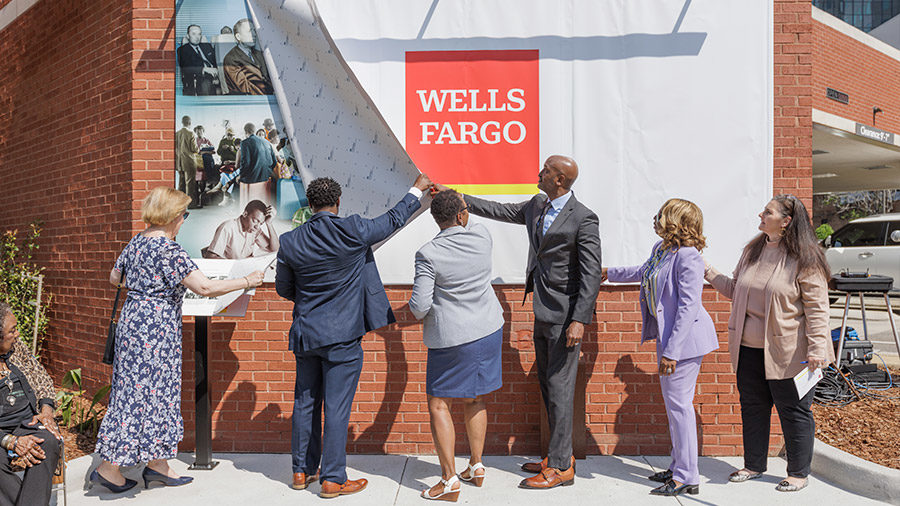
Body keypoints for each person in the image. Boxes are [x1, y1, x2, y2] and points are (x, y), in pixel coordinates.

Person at [433, 155, 602, 490]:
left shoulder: (584, 218)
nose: (539, 173)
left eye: (546, 171)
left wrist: (579, 320)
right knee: (548, 387)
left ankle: (560, 468)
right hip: (542, 310)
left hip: (566, 316)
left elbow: (591, 273)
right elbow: (501, 211)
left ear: (559, 180)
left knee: (560, 389)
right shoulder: (538, 205)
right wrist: (461, 199)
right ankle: (558, 455)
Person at [92, 187, 264, 494]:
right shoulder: (170, 251)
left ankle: (158, 465)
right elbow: (205, 288)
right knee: (147, 394)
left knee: (138, 391)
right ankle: (109, 468)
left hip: (133, 323)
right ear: (173, 217)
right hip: (156, 330)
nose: (184, 220)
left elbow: (114, 278)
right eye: (183, 214)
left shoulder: (137, 242)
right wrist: (248, 280)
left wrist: (144, 287)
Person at [276, 174, 431, 498]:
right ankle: (332, 478)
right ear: (338, 203)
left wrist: (310, 302)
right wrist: (416, 188)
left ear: (311, 203)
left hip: (306, 335)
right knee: (336, 408)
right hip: (342, 338)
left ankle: (301, 472)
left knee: (305, 403)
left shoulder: (291, 241)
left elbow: (284, 288)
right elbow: (393, 219)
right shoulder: (353, 230)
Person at [704, 194, 834, 493]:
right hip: (748, 349)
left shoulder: (806, 257)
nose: (761, 215)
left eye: (768, 212)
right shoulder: (753, 250)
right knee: (753, 406)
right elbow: (736, 290)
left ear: (786, 221)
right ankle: (753, 465)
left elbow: (817, 308)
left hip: (791, 353)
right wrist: (707, 271)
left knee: (794, 411)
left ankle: (798, 473)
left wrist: (816, 349)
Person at [602, 199, 718, 497]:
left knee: (680, 407)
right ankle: (680, 464)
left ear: (675, 221)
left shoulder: (689, 257)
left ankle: (687, 476)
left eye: (660, 215)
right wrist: (608, 273)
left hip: (685, 342)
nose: (655, 219)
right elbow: (643, 272)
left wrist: (672, 352)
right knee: (674, 406)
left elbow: (688, 306)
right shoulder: (663, 250)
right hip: (670, 340)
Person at [408, 190, 504, 501]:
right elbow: (469, 217)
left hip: (453, 339)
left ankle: (449, 480)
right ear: (462, 215)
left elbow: (419, 307)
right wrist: (458, 199)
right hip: (489, 329)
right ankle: (476, 465)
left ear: (436, 220)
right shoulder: (482, 236)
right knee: (475, 399)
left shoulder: (428, 253)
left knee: (439, 405)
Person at [0, 303, 61, 506]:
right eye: (12, 330)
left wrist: (46, 412)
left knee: (48, 441)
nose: (17, 334)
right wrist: (11, 442)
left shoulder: (18, 349)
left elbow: (43, 379)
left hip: (28, 423)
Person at [204, 200, 279, 259]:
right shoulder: (227, 227)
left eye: (261, 223)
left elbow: (275, 249)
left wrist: (269, 224)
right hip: (230, 271)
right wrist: (235, 265)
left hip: (246, 269)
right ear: (245, 214)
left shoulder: (255, 230)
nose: (257, 227)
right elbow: (210, 256)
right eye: (255, 221)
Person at [223, 18, 273, 95]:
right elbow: (244, 88)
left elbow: (269, 79)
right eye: (250, 31)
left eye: (254, 30)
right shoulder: (230, 59)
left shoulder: (259, 54)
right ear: (238, 37)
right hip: (251, 100)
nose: (254, 34)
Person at [235, 122, 277, 210]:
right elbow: (274, 162)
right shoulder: (267, 142)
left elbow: (245, 163)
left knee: (236, 184)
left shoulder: (245, 143)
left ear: (246, 132)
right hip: (266, 177)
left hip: (252, 179)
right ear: (254, 130)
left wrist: (241, 176)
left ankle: (239, 210)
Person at [177, 24, 218, 96]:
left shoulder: (207, 46)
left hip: (215, 74)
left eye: (199, 34)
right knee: (205, 83)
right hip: (199, 76)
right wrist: (205, 69)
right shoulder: (183, 50)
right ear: (187, 36)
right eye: (193, 34)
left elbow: (215, 61)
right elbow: (186, 68)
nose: (197, 37)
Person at [175, 116, 199, 209]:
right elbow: (194, 149)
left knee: (181, 184)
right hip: (189, 161)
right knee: (190, 183)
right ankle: (191, 204)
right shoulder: (190, 133)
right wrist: (198, 149)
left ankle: (179, 205)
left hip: (179, 162)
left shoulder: (177, 133)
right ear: (189, 123)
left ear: (182, 122)